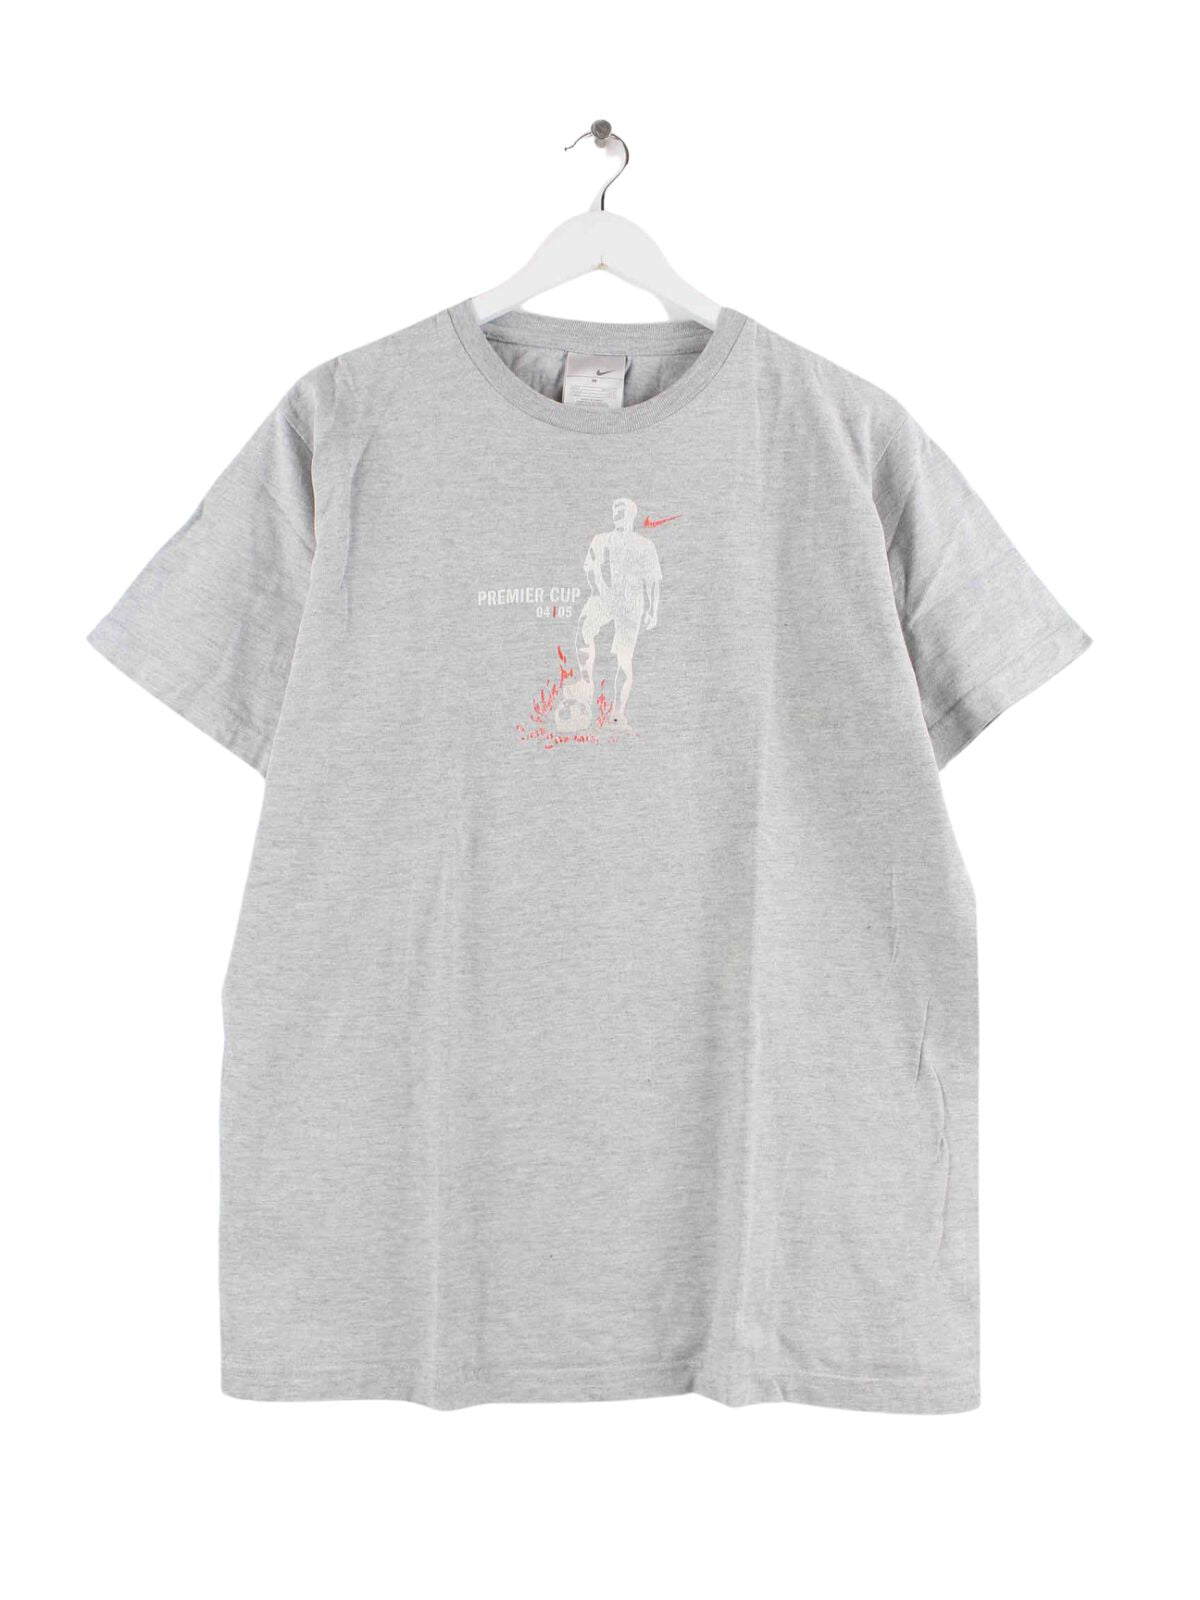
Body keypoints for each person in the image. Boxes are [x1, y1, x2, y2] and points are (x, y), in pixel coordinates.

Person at [556, 497, 661, 731]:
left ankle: (617, 713)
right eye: (614, 509)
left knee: (623, 659)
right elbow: (591, 570)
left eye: (621, 510)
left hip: (631, 604)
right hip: (606, 596)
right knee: (584, 627)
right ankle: (586, 684)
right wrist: (603, 593)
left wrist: (652, 610)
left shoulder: (645, 545)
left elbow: (653, 580)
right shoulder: (602, 540)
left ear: (632, 513)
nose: (616, 513)